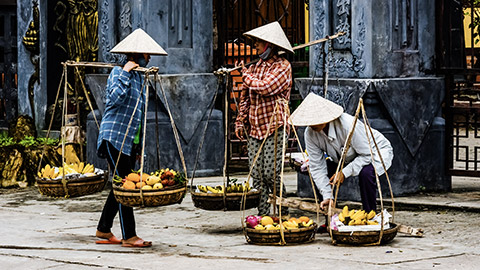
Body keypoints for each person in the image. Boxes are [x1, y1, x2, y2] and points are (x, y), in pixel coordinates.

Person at [95, 28, 167, 247]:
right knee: (127, 185)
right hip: (112, 137)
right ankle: (129, 236)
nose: (150, 58)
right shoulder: (119, 73)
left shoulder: (140, 78)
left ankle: (103, 229)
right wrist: (125, 72)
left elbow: (138, 116)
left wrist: (137, 148)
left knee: (121, 184)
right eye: (147, 55)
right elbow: (113, 100)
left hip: (127, 142)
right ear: (137, 54)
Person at [290, 93, 394, 213]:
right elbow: (316, 166)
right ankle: (329, 214)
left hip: (374, 152)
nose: (313, 125)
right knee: (321, 174)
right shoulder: (310, 134)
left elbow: (367, 155)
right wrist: (328, 196)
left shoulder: (347, 125)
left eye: (316, 121)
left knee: (366, 173)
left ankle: (370, 214)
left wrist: (344, 173)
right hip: (343, 158)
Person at [234, 21, 293, 216]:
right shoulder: (256, 67)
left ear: (270, 45)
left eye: (259, 43)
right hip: (255, 128)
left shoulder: (283, 67)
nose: (256, 46)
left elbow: (266, 88)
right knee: (257, 178)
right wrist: (240, 119)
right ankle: (264, 216)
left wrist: (245, 76)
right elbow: (245, 96)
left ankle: (282, 210)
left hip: (274, 126)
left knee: (271, 174)